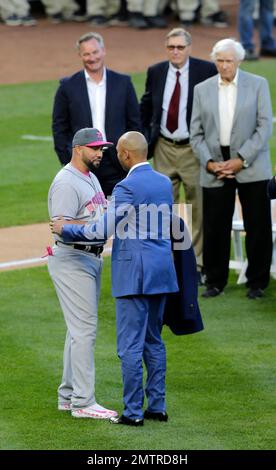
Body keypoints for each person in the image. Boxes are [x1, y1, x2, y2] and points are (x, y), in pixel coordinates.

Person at [50, 131, 179, 426]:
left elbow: (100, 231)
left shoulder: (126, 186)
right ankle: (157, 407)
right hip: (162, 272)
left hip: (134, 274)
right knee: (154, 341)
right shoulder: (163, 182)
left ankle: (133, 413)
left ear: (125, 154)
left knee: (130, 347)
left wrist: (64, 229)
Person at [190, 38, 273, 299]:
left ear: (239, 61)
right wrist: (211, 163)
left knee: (257, 225)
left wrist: (241, 159)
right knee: (215, 226)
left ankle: (257, 282)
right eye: (220, 61)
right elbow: (196, 133)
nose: (224, 66)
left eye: (229, 61)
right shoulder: (202, 89)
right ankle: (215, 281)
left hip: (251, 164)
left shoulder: (258, 85)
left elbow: (264, 128)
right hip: (215, 164)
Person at [48, 127, 118, 419]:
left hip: (88, 260)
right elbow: (61, 228)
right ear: (78, 149)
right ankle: (83, 402)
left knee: (76, 331)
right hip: (72, 260)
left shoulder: (89, 177)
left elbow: (95, 214)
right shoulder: (66, 182)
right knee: (84, 331)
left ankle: (68, 395)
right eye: (95, 149)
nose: (100, 153)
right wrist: (97, 230)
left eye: (102, 148)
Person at [140, 27, 217, 278]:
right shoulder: (156, 71)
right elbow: (147, 105)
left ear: (189, 48)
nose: (175, 51)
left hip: (192, 148)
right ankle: (168, 262)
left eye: (180, 47)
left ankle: (196, 265)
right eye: (171, 47)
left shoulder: (206, 70)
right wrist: (144, 139)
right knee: (162, 207)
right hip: (163, 146)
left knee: (198, 207)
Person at [52, 31, 141, 197]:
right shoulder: (67, 86)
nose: (91, 58)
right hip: (84, 161)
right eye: (86, 54)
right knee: (86, 213)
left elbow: (134, 123)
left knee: (120, 212)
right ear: (80, 55)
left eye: (95, 52)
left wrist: (131, 156)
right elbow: (59, 127)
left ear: (103, 51)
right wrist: (68, 159)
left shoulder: (123, 82)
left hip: (117, 160)